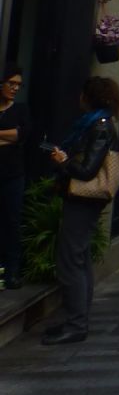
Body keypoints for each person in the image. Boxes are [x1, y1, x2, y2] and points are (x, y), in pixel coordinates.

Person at [42, 76, 119, 345]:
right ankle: (76, 319)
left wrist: (63, 161)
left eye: (82, 94)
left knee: (70, 260)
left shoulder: (99, 127)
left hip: (84, 199)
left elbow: (87, 170)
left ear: (89, 97)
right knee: (80, 257)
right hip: (83, 200)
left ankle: (77, 324)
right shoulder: (98, 124)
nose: (79, 99)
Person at [0, 64, 29, 290]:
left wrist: (12, 136)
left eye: (18, 84)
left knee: (11, 221)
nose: (15, 88)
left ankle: (10, 272)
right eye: (11, 83)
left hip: (12, 174)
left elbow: (22, 134)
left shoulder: (20, 110)